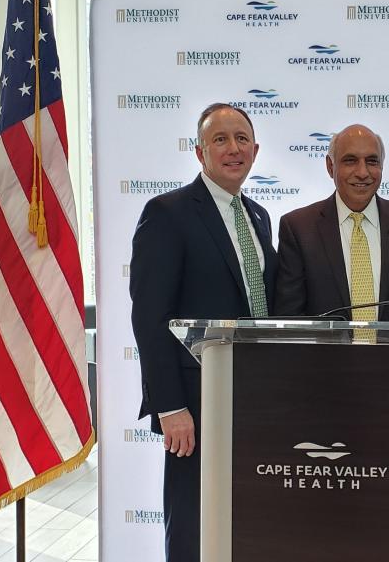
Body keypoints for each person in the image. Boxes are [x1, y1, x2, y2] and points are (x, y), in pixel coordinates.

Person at [130, 103, 276, 562]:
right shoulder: (168, 213)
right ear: (199, 152)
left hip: (254, 401)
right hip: (193, 406)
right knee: (193, 525)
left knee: (247, 523)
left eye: (241, 139)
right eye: (220, 139)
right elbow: (150, 318)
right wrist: (170, 407)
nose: (233, 148)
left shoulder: (258, 216)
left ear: (255, 150)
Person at [274, 124, 389, 320]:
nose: (362, 172)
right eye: (350, 161)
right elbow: (291, 319)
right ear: (330, 167)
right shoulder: (298, 228)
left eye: (372, 161)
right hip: (322, 352)